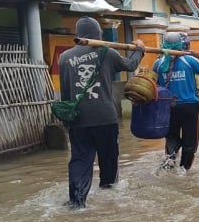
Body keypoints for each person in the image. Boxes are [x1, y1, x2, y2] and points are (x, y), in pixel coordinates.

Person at [58, 17, 146, 209]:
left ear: (78, 35)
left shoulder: (65, 58)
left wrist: (67, 121)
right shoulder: (108, 53)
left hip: (79, 120)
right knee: (109, 159)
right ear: (98, 34)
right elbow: (130, 66)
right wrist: (140, 49)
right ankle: (109, 195)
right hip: (106, 118)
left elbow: (65, 92)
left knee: (80, 160)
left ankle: (77, 201)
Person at [152, 32, 199, 171]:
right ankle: (185, 170)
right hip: (189, 107)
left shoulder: (158, 63)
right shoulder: (189, 60)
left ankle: (171, 158)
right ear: (182, 45)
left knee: (171, 137)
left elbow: (153, 84)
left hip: (168, 108)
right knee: (190, 141)